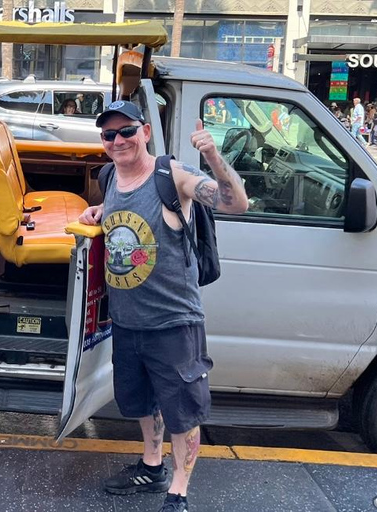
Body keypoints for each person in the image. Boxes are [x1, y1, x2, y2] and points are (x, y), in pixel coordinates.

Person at [78, 101, 248, 512]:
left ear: (145, 132)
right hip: (127, 321)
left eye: (127, 131)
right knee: (140, 402)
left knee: (182, 411)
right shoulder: (108, 176)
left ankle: (178, 490)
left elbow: (234, 203)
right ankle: (151, 465)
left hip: (173, 322)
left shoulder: (172, 175)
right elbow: (121, 218)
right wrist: (102, 211)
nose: (118, 140)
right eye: (109, 134)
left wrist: (211, 154)